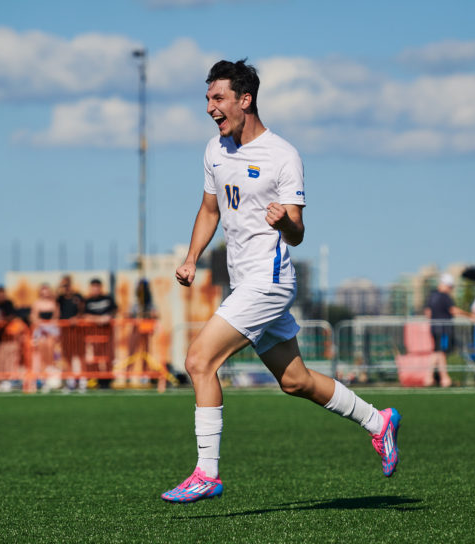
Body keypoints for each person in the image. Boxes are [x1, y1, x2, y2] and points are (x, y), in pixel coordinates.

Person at [160, 60, 401, 504]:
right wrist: (192, 257)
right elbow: (210, 209)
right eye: (208, 100)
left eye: (218, 99)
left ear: (244, 99)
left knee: (199, 361)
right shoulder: (214, 150)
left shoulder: (283, 156)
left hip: (268, 283)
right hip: (244, 283)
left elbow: (298, 233)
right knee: (296, 382)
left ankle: (206, 473)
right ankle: (378, 421)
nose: (211, 108)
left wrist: (284, 222)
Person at [424, 273, 471, 387]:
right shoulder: (445, 297)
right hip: (444, 329)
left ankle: (435, 378)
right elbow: (453, 310)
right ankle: (439, 378)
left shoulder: (432, 296)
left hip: (434, 328)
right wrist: (469, 315)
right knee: (440, 353)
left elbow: (428, 313)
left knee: (438, 352)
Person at [83, 278, 117, 388]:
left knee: (108, 356)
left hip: (108, 333)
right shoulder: (87, 301)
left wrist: (107, 318)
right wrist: (100, 319)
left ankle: (107, 379)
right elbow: (85, 316)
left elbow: (114, 311)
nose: (95, 289)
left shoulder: (108, 298)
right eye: (93, 286)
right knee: (95, 356)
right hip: (94, 334)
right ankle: (97, 378)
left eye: (97, 286)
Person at [56, 275, 85, 391]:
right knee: (67, 356)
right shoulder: (61, 298)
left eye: (68, 284)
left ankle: (81, 379)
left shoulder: (78, 297)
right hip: (65, 332)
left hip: (77, 331)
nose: (67, 287)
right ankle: (70, 380)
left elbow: (83, 310)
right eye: (65, 285)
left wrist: (76, 319)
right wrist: (60, 285)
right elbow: (54, 297)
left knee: (79, 355)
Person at [31, 283, 61, 390]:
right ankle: (43, 376)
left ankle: (51, 370)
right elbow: (34, 317)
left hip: (51, 329)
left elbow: (56, 318)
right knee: (41, 350)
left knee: (51, 347)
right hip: (41, 330)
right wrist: (41, 324)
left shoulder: (54, 304)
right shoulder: (37, 303)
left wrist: (50, 326)